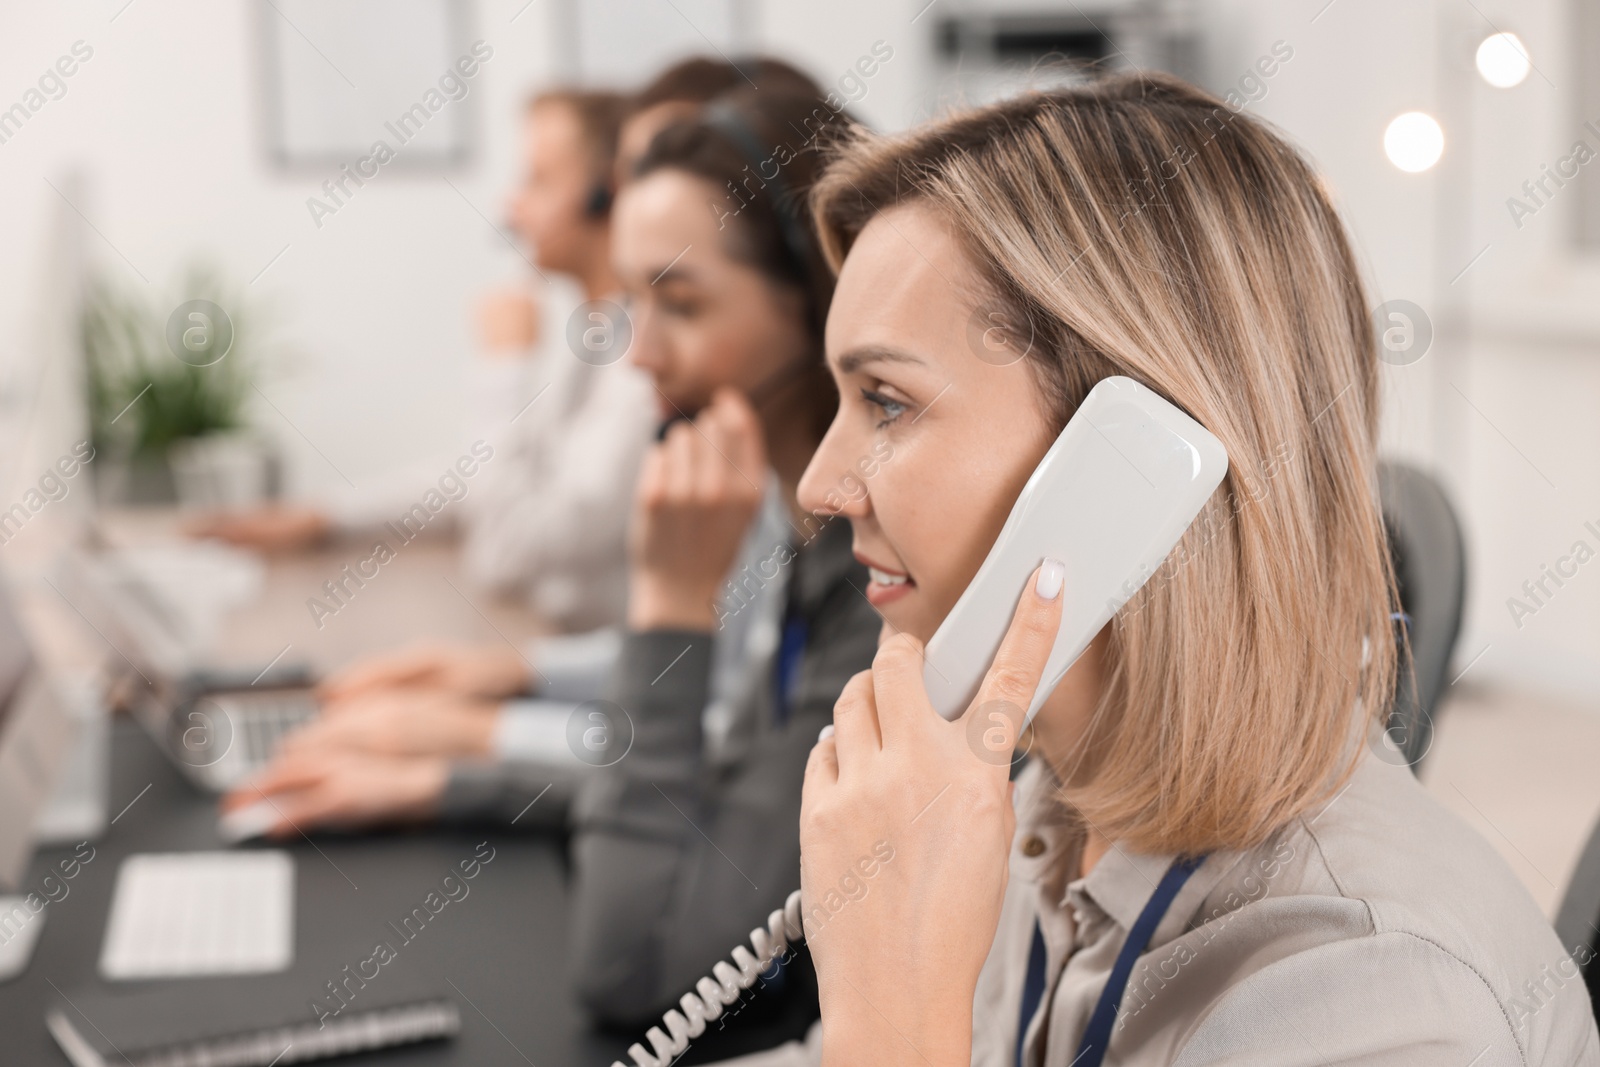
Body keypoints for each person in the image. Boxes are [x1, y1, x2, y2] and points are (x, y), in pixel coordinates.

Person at [768, 72, 1600, 1066]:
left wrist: (896, 1012)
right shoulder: (1041, 805)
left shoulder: (1385, 1001)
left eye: (885, 402)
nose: (819, 484)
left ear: (1132, 461)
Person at [191, 89, 657, 632]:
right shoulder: (594, 335)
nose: (512, 205)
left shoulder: (640, 368)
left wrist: (504, 368)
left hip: (589, 662)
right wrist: (324, 517)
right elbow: (483, 475)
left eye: (537, 180)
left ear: (606, 193)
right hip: (550, 635)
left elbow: (503, 552)